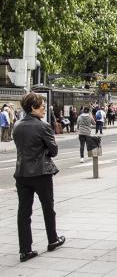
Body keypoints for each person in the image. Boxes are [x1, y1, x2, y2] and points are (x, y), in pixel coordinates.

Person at [13, 93, 65, 262]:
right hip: (41, 173)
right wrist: (44, 152)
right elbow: (54, 151)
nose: (44, 107)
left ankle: (25, 250)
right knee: (48, 208)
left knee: (23, 212)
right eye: (42, 105)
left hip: (21, 173)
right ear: (33, 108)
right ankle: (52, 240)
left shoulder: (17, 125)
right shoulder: (43, 126)